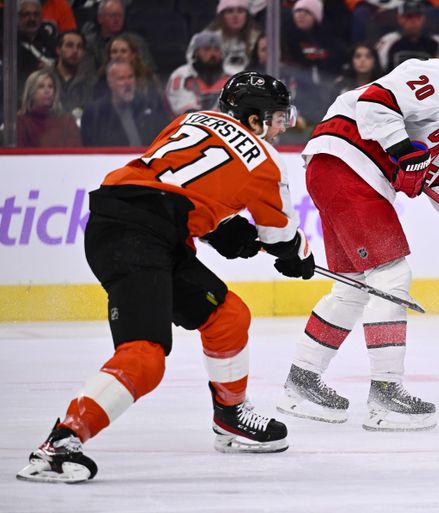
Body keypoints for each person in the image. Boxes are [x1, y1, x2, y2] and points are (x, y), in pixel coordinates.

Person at [16, 71, 314, 484]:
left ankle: (229, 416)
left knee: (228, 316)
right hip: (139, 238)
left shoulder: (189, 120)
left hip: (126, 222)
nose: (281, 126)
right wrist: (300, 257)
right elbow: (281, 237)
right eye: (276, 117)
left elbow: (174, 185)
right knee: (145, 358)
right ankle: (60, 444)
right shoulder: (266, 161)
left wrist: (220, 229)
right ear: (253, 118)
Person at [277, 20, 439, 431]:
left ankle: (301, 382)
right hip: (347, 163)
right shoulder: (435, 76)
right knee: (392, 274)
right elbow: (376, 101)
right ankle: (386, 395)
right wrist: (402, 148)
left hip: (345, 172)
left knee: (354, 286)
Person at [81, 60, 169, 147]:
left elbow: (165, 139)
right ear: (110, 83)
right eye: (121, 78)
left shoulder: (150, 106)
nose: (127, 83)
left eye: (130, 77)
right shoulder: (95, 114)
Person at [166, 31, 231, 116]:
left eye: (216, 49)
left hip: (224, 125)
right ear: (196, 52)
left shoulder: (231, 76)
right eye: (206, 49)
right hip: (189, 126)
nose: (212, 54)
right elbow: (182, 108)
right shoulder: (181, 76)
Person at [17, 68, 81, 148]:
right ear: (31, 92)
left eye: (50, 86)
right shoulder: (21, 122)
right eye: (41, 86)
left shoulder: (67, 121)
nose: (47, 91)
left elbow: (74, 154)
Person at [374, 0, 439, 72]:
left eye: (417, 16)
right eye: (409, 17)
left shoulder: (437, 42)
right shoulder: (388, 41)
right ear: (400, 19)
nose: (413, 21)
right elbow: (380, 70)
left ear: (423, 18)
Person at [205, 0, 262, 75]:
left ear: (247, 15)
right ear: (222, 15)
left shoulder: (259, 38)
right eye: (229, 11)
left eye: (240, 11)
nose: (235, 16)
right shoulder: (208, 38)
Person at [51, 29, 97, 119]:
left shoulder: (91, 82)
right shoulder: (42, 78)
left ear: (84, 52)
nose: (75, 51)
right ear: (58, 50)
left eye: (79, 47)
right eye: (69, 45)